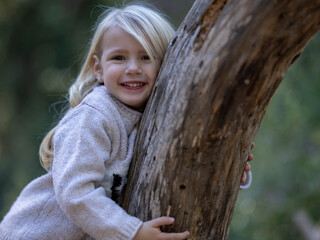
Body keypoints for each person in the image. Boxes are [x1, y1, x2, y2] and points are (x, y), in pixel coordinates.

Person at [0, 3, 253, 240]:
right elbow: (75, 193)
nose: (133, 68)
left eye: (146, 57)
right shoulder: (94, 116)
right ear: (98, 68)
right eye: (119, 58)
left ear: (168, 65)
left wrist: (227, 168)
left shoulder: (158, 117)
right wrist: (132, 232)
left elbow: (177, 171)